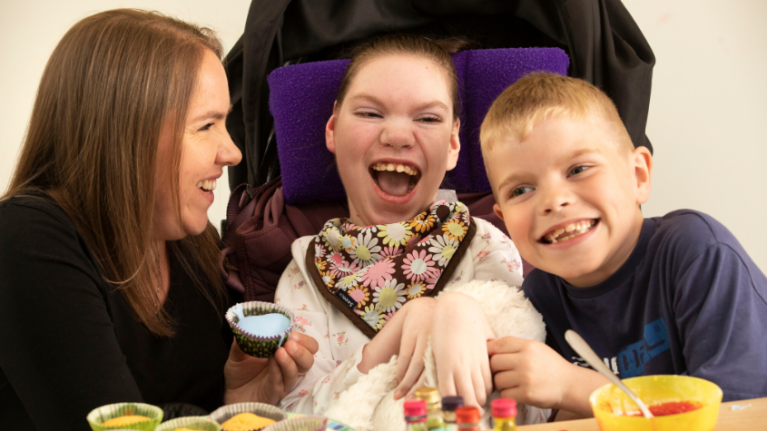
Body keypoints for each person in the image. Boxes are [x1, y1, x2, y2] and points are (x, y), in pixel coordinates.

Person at [0, 10, 317, 431]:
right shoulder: (25, 238)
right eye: (206, 125)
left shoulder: (192, 245)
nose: (233, 152)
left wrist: (238, 401)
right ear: (126, 133)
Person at [271, 35, 544, 423]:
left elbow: (530, 411)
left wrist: (455, 311)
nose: (397, 136)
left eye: (428, 118)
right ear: (332, 129)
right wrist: (395, 335)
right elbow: (292, 419)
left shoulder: (485, 247)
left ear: (452, 144)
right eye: (370, 114)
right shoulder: (306, 273)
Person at [480, 72, 767, 419]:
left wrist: (574, 388)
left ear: (639, 176)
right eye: (521, 191)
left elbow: (739, 415)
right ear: (502, 218)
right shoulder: (539, 295)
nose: (553, 201)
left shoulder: (698, 251)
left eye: (578, 169)